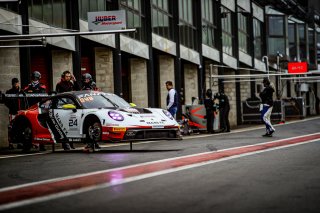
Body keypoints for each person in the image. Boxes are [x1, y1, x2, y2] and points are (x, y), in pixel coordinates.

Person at [55, 70, 79, 150]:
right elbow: (64, 92)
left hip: (71, 106)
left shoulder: (71, 83)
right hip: (63, 107)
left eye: (69, 76)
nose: (68, 78)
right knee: (64, 125)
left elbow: (78, 90)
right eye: (67, 76)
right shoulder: (59, 84)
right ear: (63, 77)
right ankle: (65, 144)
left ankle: (71, 143)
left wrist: (75, 81)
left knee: (71, 126)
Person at [24, 71, 47, 151]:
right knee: (28, 128)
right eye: (33, 78)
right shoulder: (28, 87)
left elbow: (44, 97)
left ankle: (42, 145)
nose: (35, 79)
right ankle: (27, 146)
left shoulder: (42, 87)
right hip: (30, 110)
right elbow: (24, 95)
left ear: (39, 78)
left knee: (41, 126)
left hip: (39, 109)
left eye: (36, 78)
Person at [81, 73, 101, 152]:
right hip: (85, 108)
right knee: (88, 127)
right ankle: (92, 143)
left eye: (88, 79)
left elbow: (96, 97)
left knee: (93, 127)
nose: (86, 81)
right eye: (85, 79)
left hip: (93, 108)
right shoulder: (82, 87)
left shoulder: (94, 87)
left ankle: (93, 143)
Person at [5, 78, 22, 149]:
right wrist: (12, 107)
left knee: (20, 127)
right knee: (11, 127)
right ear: (12, 84)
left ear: (18, 83)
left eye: (16, 82)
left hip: (20, 113)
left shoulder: (22, 91)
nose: (15, 84)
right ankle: (11, 143)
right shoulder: (9, 92)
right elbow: (6, 102)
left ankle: (20, 143)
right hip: (12, 112)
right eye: (14, 83)